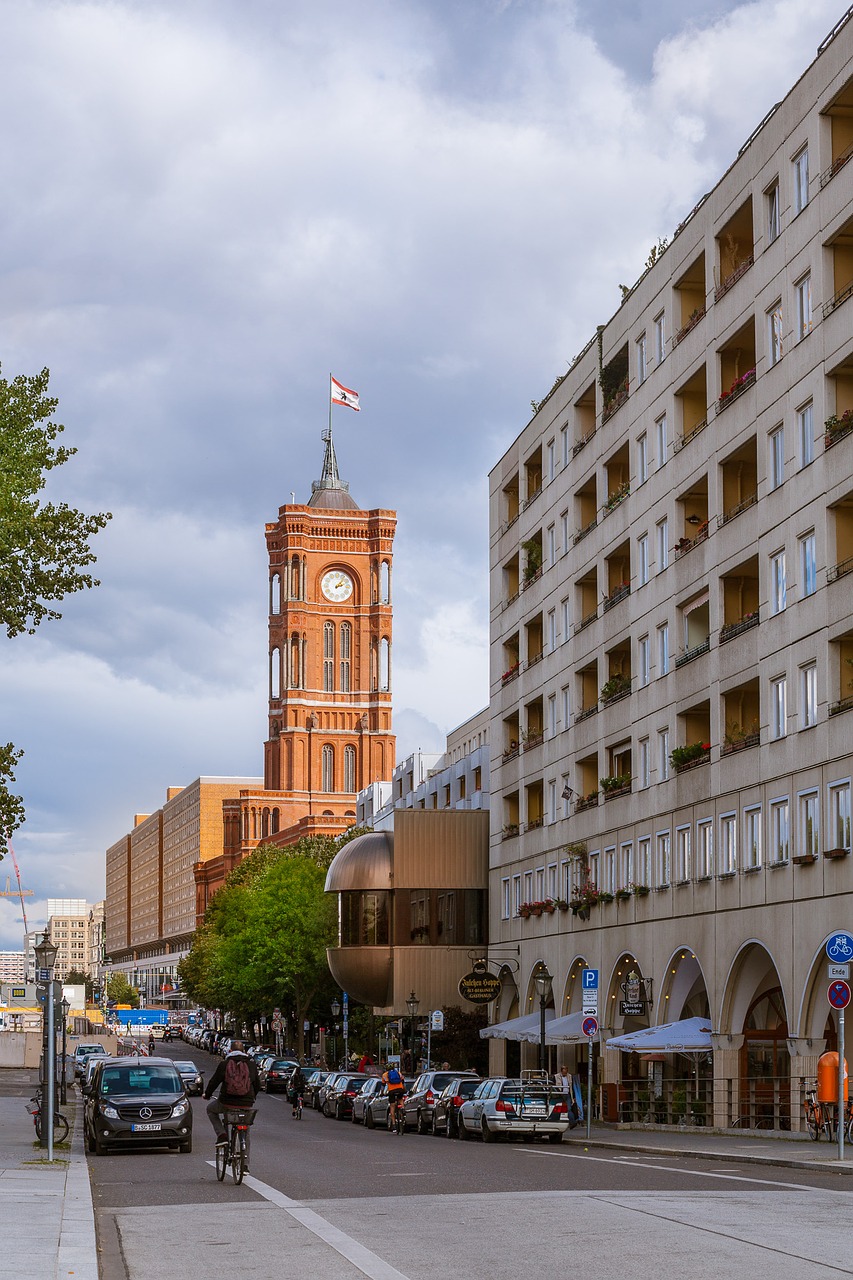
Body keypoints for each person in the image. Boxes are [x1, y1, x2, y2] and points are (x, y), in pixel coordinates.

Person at [204, 1039, 260, 1167]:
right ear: (244, 1051)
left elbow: (214, 1081)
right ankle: (245, 1165)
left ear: (230, 1051)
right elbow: (256, 1084)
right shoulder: (251, 1065)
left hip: (226, 1103)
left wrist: (207, 1095)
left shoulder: (224, 1064)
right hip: (246, 1104)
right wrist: (251, 1098)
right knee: (246, 1131)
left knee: (211, 1110)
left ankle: (222, 1134)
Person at [382, 1062, 406, 1133]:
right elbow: (403, 1081)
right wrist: (403, 1089)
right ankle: (403, 1108)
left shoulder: (385, 1075)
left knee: (392, 1106)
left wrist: (381, 1093)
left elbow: (383, 1085)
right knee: (400, 1099)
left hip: (392, 1091)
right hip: (400, 1089)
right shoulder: (398, 1073)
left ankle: (394, 1125)